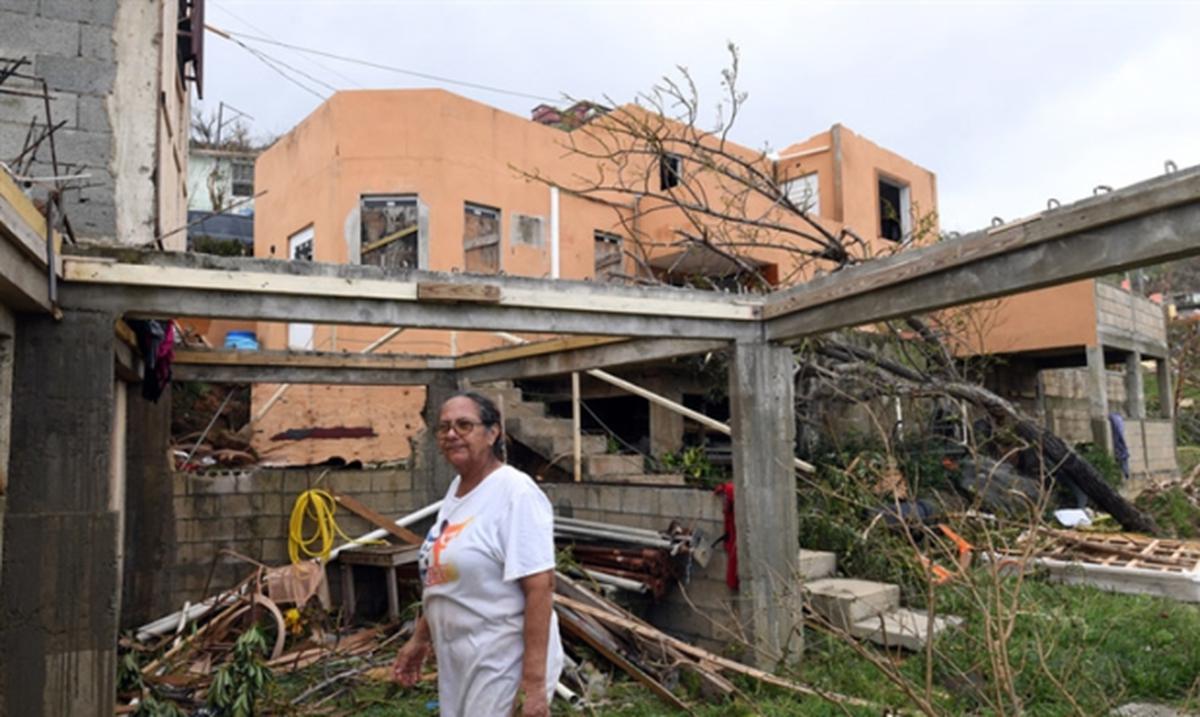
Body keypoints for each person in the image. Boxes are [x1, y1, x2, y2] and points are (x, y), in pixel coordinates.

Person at [392, 391, 563, 717]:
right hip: (460, 660)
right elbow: (444, 581)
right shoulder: (456, 492)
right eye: (444, 428)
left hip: (502, 660)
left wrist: (534, 683)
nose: (451, 434)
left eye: (464, 425)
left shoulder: (515, 492)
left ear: (493, 432)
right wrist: (419, 640)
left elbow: (541, 586)